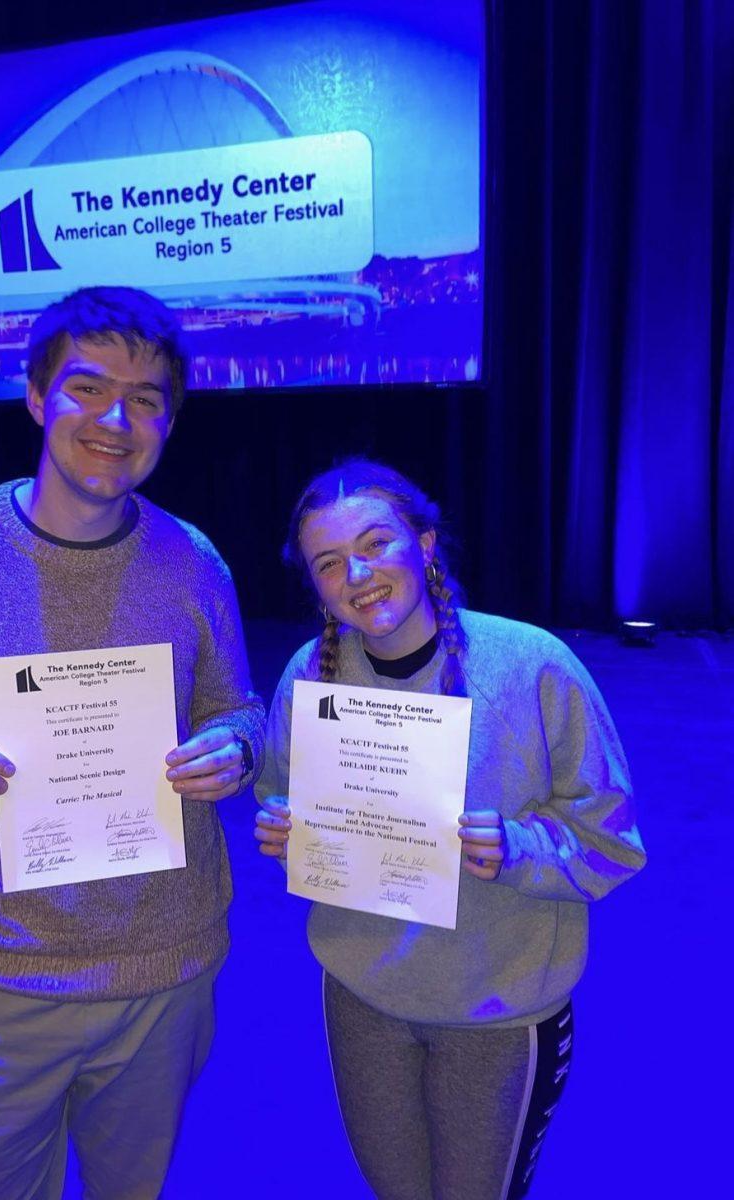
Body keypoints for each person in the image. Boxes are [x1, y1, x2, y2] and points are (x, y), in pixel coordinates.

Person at [0, 286, 264, 1200]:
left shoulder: (194, 562)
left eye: (147, 398)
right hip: (2, 979)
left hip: (167, 970)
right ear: (37, 398)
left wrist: (235, 749)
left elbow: (241, 708)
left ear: (168, 421)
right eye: (87, 387)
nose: (117, 419)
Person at [254, 459, 645, 1200]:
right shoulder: (310, 674)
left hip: (496, 1013)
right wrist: (284, 829)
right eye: (330, 562)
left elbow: (613, 842)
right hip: (363, 999)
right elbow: (282, 794)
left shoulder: (532, 667)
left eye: (376, 544)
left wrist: (519, 847)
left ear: (425, 544)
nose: (358, 574)